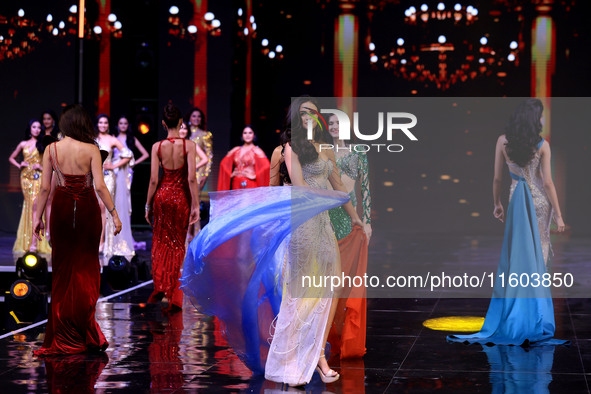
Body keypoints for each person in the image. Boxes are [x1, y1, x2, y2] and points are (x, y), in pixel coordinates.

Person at [181, 97, 363, 385]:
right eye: (301, 114)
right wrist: (326, 200)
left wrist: (356, 218)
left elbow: (339, 185)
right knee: (301, 295)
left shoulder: (326, 149)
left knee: (330, 290)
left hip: (324, 227)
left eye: (311, 113)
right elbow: (297, 188)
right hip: (301, 226)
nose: (307, 118)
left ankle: (317, 355)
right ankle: (294, 357)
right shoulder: (289, 149)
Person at [448, 98, 568, 346]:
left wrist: (497, 204)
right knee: (538, 258)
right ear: (534, 118)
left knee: (518, 257)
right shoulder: (542, 145)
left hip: (516, 201)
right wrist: (558, 214)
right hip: (539, 203)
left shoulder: (503, 141)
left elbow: (496, 179)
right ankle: (535, 318)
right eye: (541, 115)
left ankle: (515, 315)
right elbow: (547, 183)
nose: (543, 119)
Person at [32, 104, 121, 356]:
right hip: (86, 209)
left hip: (60, 209)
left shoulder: (51, 149)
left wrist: (37, 219)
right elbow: (101, 187)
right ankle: (82, 330)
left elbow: (45, 189)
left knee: (62, 269)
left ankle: (62, 333)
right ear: (83, 124)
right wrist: (114, 214)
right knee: (85, 268)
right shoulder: (92, 149)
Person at [145, 103, 206, 313]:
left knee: (161, 243)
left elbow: (154, 180)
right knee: (178, 245)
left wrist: (148, 204)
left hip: (162, 197)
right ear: (181, 122)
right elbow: (190, 178)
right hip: (180, 198)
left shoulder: (157, 147)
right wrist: (196, 205)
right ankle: (172, 292)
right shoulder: (188, 145)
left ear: (163, 123)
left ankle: (162, 288)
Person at [325, 113, 371, 359]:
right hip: (327, 217)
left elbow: (365, 189)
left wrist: (369, 221)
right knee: (328, 278)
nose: (333, 127)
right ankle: (327, 336)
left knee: (346, 279)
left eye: (338, 123)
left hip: (349, 219)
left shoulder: (358, 154)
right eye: (330, 123)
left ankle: (345, 336)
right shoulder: (323, 154)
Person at [9, 119, 51, 255]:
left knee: (35, 206)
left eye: (39, 127)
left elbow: (49, 165)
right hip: (25, 178)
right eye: (34, 127)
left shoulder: (43, 145)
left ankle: (34, 242)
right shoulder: (23, 143)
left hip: (38, 178)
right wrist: (19, 164)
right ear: (30, 128)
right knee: (29, 206)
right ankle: (28, 241)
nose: (37, 130)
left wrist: (40, 166)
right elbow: (11, 158)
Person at [95, 114, 132, 260]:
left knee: (104, 207)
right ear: (97, 124)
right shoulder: (93, 139)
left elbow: (128, 154)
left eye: (105, 123)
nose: (103, 125)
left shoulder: (112, 139)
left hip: (108, 177)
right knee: (95, 208)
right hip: (94, 177)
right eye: (100, 122)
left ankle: (103, 241)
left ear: (108, 125)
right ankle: (95, 239)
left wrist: (114, 165)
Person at [112, 116, 150, 255]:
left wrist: (133, 163)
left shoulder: (131, 139)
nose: (123, 125)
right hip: (113, 171)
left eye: (125, 123)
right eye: (120, 123)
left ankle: (124, 235)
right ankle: (113, 236)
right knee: (113, 200)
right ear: (117, 125)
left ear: (128, 125)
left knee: (124, 202)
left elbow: (145, 154)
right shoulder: (113, 138)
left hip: (126, 173)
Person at [217, 126, 270, 190]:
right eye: (245, 133)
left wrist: (255, 176)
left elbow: (267, 166)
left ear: (254, 135)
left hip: (250, 183)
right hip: (236, 183)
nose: (247, 135)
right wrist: (230, 174)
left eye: (250, 133)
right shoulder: (236, 150)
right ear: (242, 135)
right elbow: (223, 164)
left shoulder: (257, 150)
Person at [186, 107, 213, 190]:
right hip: (184, 166)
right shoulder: (183, 132)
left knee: (194, 195)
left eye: (199, 116)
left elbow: (209, 155)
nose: (196, 118)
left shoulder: (205, 135)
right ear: (189, 118)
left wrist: (206, 174)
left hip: (198, 169)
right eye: (194, 116)